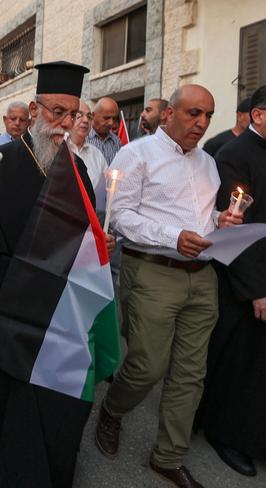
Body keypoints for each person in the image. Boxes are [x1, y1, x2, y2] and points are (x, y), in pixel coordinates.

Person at [0, 61, 115, 488]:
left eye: (73, 114)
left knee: (58, 411)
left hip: (61, 320)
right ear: (35, 111)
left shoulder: (78, 170)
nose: (64, 123)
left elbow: (83, 234)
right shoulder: (3, 161)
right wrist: (25, 284)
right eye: (56, 111)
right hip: (10, 315)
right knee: (14, 414)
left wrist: (96, 249)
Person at [95, 84, 242, 488]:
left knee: (191, 374)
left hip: (203, 278)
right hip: (153, 272)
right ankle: (112, 409)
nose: (202, 123)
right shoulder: (135, 154)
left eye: (208, 116)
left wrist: (220, 224)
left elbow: (204, 218)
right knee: (147, 366)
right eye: (194, 113)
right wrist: (172, 235)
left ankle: (168, 457)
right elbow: (120, 216)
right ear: (169, 114)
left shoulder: (208, 164)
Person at [195, 86, 266, 477]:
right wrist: (256, 288)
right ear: (257, 115)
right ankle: (227, 435)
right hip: (242, 276)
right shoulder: (234, 156)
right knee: (238, 362)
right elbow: (236, 230)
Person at [69, 100, 107, 192]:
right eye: (79, 115)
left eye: (89, 117)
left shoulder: (97, 155)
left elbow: (107, 185)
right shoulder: (58, 149)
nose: (86, 120)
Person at [87, 96, 122, 164]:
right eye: (106, 118)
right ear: (93, 115)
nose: (111, 123)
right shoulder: (83, 139)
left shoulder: (116, 141)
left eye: (114, 118)